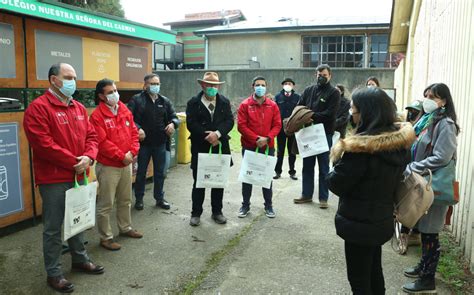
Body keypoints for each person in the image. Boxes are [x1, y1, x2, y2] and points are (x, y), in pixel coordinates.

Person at [23, 63, 104, 293]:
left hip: (80, 173)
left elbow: (92, 136)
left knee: (78, 219)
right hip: (54, 179)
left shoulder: (78, 107)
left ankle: (79, 259)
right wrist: (76, 162)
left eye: (74, 77)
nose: (72, 81)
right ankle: (54, 273)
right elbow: (43, 145)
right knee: (53, 227)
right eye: (68, 77)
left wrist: (88, 157)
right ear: (53, 80)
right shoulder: (38, 108)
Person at [327, 87, 415, 295]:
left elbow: (336, 184)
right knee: (374, 271)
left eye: (353, 110)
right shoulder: (398, 144)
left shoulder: (360, 150)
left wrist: (334, 164)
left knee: (359, 279)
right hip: (380, 220)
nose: (351, 113)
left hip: (358, 224)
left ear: (366, 113)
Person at [402, 83, 459, 294]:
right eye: (426, 95)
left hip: (435, 184)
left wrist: (413, 167)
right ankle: (423, 267)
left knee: (430, 231)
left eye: (433, 96)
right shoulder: (429, 120)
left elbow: (442, 157)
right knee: (425, 229)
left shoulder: (446, 124)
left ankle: (428, 280)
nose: (427, 100)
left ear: (443, 100)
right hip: (425, 182)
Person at [90, 79, 143, 251]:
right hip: (109, 166)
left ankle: (125, 227)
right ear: (101, 96)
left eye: (115, 90)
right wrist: (122, 156)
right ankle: (106, 237)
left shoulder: (124, 109)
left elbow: (134, 133)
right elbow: (102, 142)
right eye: (109, 92)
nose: (114, 94)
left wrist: (132, 152)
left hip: (126, 164)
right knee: (106, 204)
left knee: (126, 199)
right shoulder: (97, 116)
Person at [186, 72, 234, 226]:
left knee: (218, 181)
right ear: (202, 85)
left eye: (215, 85)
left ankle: (217, 212)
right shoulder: (193, 103)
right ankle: (196, 213)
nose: (212, 88)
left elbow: (229, 121)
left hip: (220, 146)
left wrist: (218, 134)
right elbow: (191, 124)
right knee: (199, 182)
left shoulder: (224, 102)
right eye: (209, 85)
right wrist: (207, 135)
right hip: (201, 146)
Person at [128, 74, 179, 211]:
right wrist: (137, 129)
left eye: (157, 83)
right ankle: (139, 199)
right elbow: (128, 119)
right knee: (141, 173)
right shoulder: (137, 100)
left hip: (160, 143)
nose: (155, 86)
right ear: (145, 85)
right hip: (144, 144)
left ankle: (159, 198)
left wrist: (173, 124)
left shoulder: (165, 101)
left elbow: (174, 117)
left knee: (160, 173)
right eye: (152, 83)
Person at [294, 64, 341, 208]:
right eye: (319, 75)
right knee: (307, 165)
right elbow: (299, 107)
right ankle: (306, 195)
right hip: (308, 133)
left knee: (323, 167)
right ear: (316, 75)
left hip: (324, 134)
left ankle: (323, 198)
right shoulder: (309, 90)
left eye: (324, 75)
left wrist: (311, 116)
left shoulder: (334, 93)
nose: (321, 77)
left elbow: (330, 114)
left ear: (330, 76)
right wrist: (303, 117)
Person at [237, 76, 282, 218]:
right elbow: (241, 126)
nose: (260, 87)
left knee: (266, 177)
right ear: (253, 87)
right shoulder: (245, 105)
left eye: (263, 85)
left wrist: (267, 138)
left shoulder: (272, 105)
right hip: (250, 146)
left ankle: (268, 206)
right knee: (248, 176)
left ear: (266, 87)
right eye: (258, 85)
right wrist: (256, 138)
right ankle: (245, 205)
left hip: (268, 146)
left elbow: (277, 124)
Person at [398, 99, 425, 255]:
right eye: (411, 112)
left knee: (418, 203)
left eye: (416, 112)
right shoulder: (408, 128)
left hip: (420, 170)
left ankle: (415, 233)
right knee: (406, 203)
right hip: (408, 170)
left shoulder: (424, 130)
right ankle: (404, 234)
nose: (412, 115)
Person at [274, 77, 300, 180]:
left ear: (293, 85)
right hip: (280, 129)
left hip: (292, 129)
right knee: (280, 151)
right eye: (286, 83)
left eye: (289, 83)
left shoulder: (297, 97)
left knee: (292, 152)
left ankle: (292, 172)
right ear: (283, 85)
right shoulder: (278, 96)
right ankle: (277, 171)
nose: (287, 85)